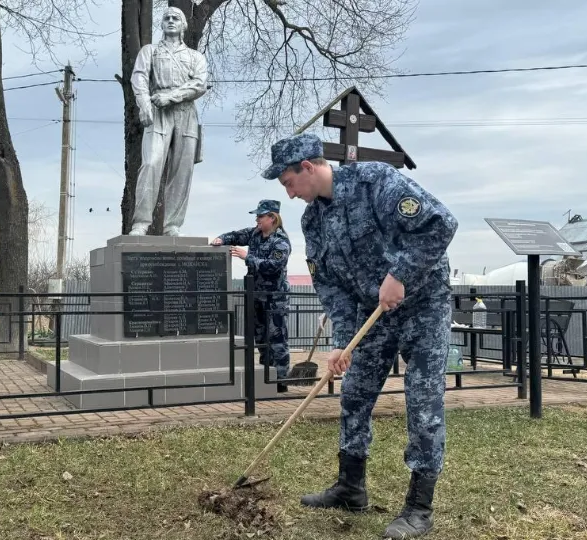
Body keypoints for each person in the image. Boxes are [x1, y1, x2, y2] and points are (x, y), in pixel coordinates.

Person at [261, 132, 458, 539]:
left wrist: (400, 275)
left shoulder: (376, 182)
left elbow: (440, 225)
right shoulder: (312, 221)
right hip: (374, 314)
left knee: (422, 400)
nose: (290, 194)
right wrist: (341, 342)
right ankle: (351, 487)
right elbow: (330, 285)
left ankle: (419, 508)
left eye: (289, 183)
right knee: (354, 393)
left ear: (308, 168)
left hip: (422, 303)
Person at [128, 7, 209, 237]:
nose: (171, 21)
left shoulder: (195, 57)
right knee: (151, 163)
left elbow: (199, 84)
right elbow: (140, 77)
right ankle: (141, 222)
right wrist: (144, 105)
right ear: (161, 24)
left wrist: (172, 96)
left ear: (183, 25)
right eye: (167, 18)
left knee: (181, 171)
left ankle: (173, 224)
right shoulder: (149, 51)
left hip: (185, 113)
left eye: (176, 18)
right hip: (158, 111)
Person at [211, 200, 292, 393]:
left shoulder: (281, 241)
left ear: (272, 218)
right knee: (260, 337)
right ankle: (266, 374)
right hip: (255, 295)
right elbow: (236, 235)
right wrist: (221, 239)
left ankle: (280, 379)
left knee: (277, 338)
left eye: (260, 216)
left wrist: (247, 257)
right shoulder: (255, 233)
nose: (257, 219)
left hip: (275, 298)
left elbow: (273, 266)